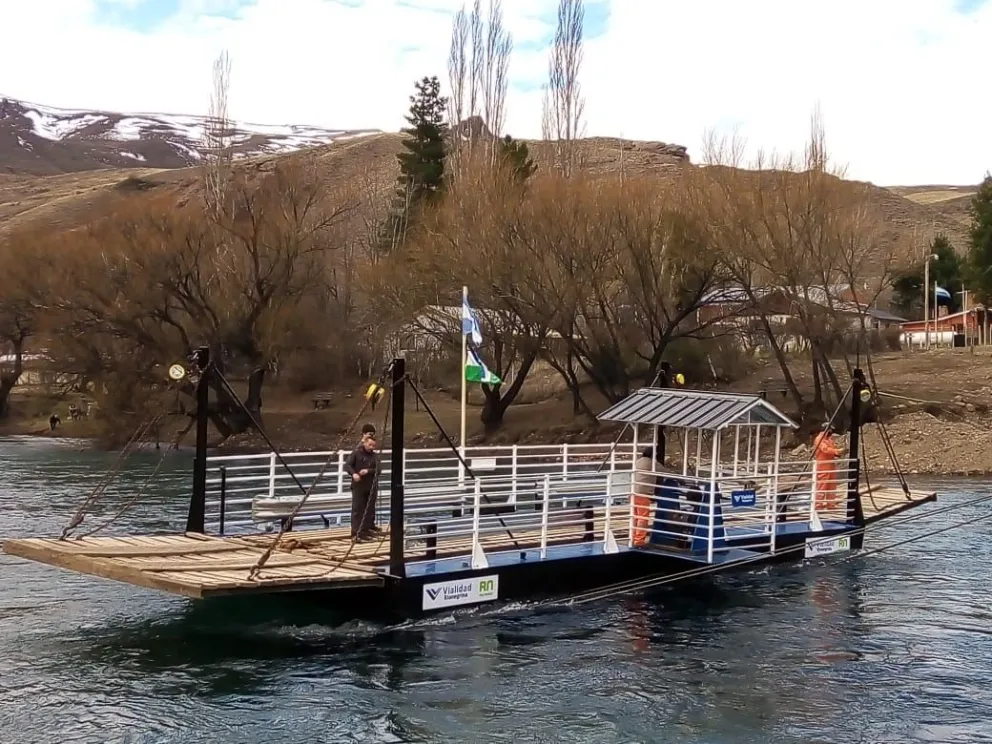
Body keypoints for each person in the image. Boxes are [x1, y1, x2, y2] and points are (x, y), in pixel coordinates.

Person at [345, 432, 380, 541]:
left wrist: (368, 471)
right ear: (365, 443)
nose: (371, 447)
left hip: (371, 486)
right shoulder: (356, 454)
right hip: (359, 485)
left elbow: (379, 470)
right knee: (358, 509)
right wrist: (353, 474)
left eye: (373, 445)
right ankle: (355, 533)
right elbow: (347, 465)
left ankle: (365, 531)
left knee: (368, 509)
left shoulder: (375, 456)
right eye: (370, 445)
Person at [813, 424, 844, 512]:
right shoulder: (819, 439)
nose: (831, 432)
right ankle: (818, 505)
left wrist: (839, 453)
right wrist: (837, 451)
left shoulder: (829, 439)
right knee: (822, 486)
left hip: (831, 465)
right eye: (830, 430)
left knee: (832, 485)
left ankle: (831, 504)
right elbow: (825, 449)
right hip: (823, 466)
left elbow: (831, 450)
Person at [632, 447, 658, 547]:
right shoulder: (652, 463)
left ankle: (633, 537)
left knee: (635, 517)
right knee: (642, 518)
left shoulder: (637, 462)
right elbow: (665, 471)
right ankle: (639, 540)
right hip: (643, 494)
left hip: (633, 492)